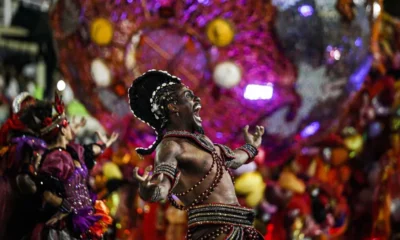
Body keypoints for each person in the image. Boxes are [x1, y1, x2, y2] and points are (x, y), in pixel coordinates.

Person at [129, 70, 265, 240]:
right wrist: (149, 190)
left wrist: (251, 147)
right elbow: (162, 185)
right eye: (189, 96)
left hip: (240, 229)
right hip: (214, 234)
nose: (198, 100)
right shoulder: (171, 145)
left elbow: (234, 159)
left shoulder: (207, 145)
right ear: (173, 106)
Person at [20, 94, 118, 240]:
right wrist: (67, 208)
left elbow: (89, 151)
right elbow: (46, 192)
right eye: (67, 123)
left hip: (86, 219)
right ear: (62, 130)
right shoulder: (55, 158)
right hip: (67, 227)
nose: (72, 127)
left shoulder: (72, 150)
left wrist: (103, 145)